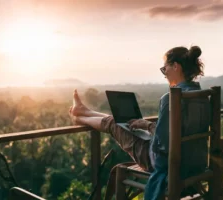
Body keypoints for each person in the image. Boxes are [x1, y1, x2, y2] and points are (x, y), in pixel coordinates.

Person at [69, 45, 210, 200]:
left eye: (165, 69)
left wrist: (148, 126)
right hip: (195, 161)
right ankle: (83, 111)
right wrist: (145, 125)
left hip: (167, 163)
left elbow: (162, 144)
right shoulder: (201, 95)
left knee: (115, 124)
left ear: (176, 66)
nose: (164, 75)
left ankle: (78, 117)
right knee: (122, 122)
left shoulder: (171, 98)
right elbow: (178, 133)